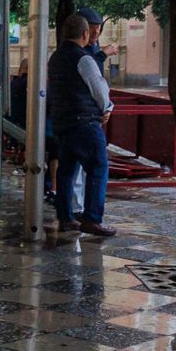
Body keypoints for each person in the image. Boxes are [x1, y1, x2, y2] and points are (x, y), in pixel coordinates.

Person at [48, 13, 115, 237]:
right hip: (85, 122)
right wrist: (107, 108)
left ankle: (66, 217)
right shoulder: (84, 58)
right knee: (98, 168)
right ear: (85, 34)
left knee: (66, 170)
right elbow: (99, 88)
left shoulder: (55, 58)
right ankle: (92, 219)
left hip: (63, 123)